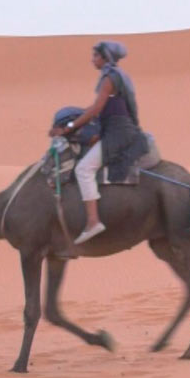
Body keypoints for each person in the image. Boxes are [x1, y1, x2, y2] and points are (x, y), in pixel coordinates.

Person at [48, 41, 148, 244]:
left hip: (117, 133)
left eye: (95, 56)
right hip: (119, 130)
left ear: (105, 57)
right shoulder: (117, 76)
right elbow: (95, 108)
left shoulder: (109, 78)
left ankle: (93, 221)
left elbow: (95, 110)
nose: (92, 60)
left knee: (83, 169)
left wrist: (68, 128)